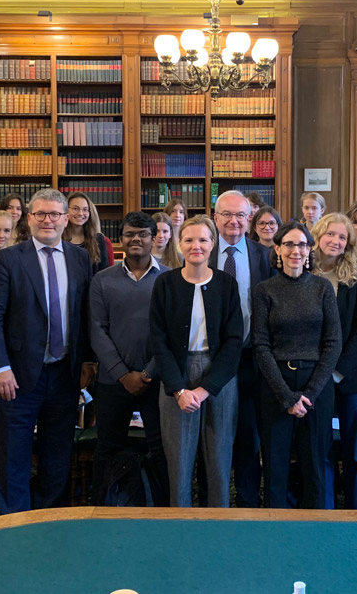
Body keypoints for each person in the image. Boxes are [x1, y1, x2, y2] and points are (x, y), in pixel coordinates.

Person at [0, 188, 93, 513]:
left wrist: (87, 360)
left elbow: (85, 314)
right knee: (13, 454)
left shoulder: (80, 258)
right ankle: (12, 524)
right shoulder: (9, 259)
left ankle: (48, 520)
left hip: (65, 373)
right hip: (17, 376)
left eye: (54, 214)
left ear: (65, 219)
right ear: (29, 219)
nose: (47, 220)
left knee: (57, 454)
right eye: (40, 214)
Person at [150, 215, 242, 507]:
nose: (196, 246)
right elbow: (158, 341)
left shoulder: (226, 284)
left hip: (218, 377)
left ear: (213, 244)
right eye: (189, 240)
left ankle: (218, 521)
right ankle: (180, 523)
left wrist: (205, 390)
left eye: (203, 239)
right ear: (179, 244)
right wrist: (179, 390)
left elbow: (234, 341)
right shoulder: (165, 283)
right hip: (176, 376)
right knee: (178, 463)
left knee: (219, 460)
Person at [253, 221, 341, 508]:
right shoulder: (264, 290)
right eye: (289, 244)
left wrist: (310, 394)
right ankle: (275, 527)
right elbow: (261, 345)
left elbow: (333, 343)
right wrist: (287, 397)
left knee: (315, 463)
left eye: (302, 244)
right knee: (275, 464)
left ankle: (315, 527)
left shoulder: (322, 288)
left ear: (309, 250)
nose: (296, 250)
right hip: (276, 384)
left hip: (316, 384)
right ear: (278, 249)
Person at [90, 212, 169, 505]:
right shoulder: (102, 280)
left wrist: (147, 373)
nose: (136, 239)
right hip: (113, 381)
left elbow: (172, 333)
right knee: (107, 448)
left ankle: (162, 509)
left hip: (157, 381)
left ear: (154, 238)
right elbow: (97, 330)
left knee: (161, 449)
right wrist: (123, 375)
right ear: (120, 239)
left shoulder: (169, 278)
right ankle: (102, 509)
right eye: (129, 234)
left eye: (143, 234)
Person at [211, 190, 274, 507]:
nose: (233, 221)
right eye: (227, 214)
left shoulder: (264, 256)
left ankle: (248, 500)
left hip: (251, 357)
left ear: (249, 219)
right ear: (215, 217)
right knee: (213, 434)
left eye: (240, 215)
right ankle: (212, 499)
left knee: (249, 433)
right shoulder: (202, 250)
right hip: (211, 358)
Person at [312, 214, 357, 510]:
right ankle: (324, 515)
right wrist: (320, 374)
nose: (335, 241)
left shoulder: (356, 276)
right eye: (330, 234)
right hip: (313, 378)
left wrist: (337, 371)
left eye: (342, 237)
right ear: (317, 235)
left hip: (352, 377)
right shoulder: (301, 271)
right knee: (320, 451)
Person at [64, 192, 114, 276]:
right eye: (75, 208)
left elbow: (104, 274)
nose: (80, 213)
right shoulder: (57, 239)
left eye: (85, 209)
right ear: (65, 210)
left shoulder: (98, 240)